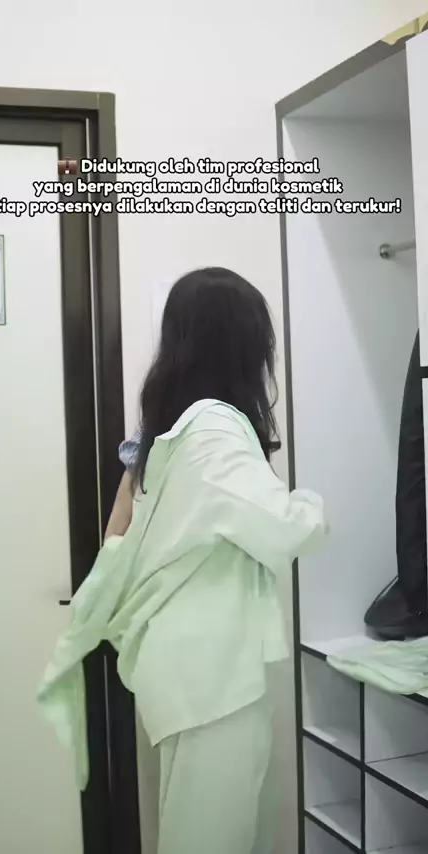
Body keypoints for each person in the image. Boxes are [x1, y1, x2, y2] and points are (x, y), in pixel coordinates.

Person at [38, 267, 327, 854]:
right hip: (212, 683)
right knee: (211, 837)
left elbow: (117, 537)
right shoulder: (215, 427)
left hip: (186, 675)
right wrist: (315, 505)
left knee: (195, 830)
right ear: (243, 344)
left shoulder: (168, 431)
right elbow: (285, 528)